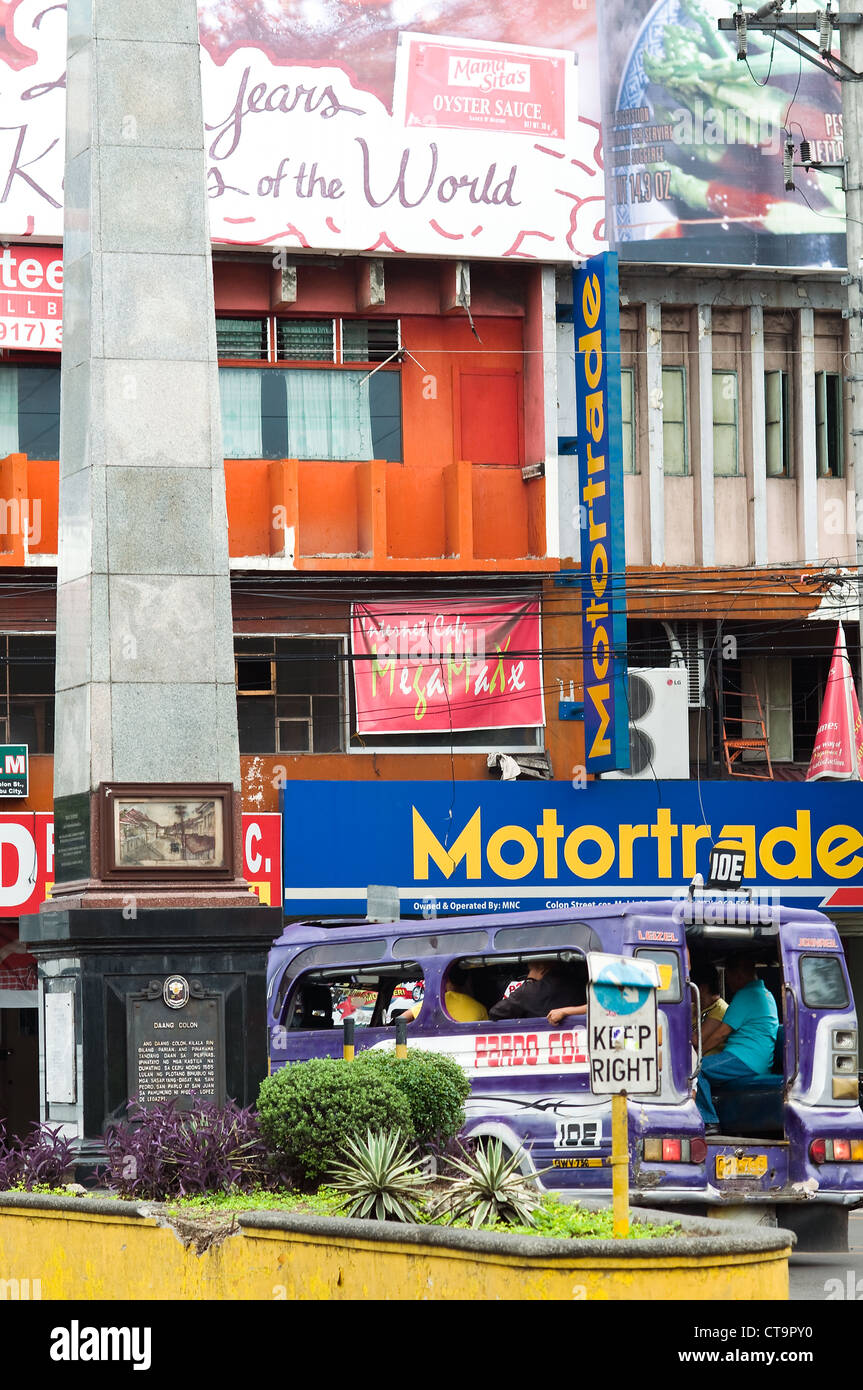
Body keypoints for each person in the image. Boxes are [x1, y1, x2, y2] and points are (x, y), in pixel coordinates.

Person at [694, 953, 779, 1135]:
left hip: (744, 1059)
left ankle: (709, 1122)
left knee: (696, 1070)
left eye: (729, 977)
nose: (729, 983)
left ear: (738, 975)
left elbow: (720, 1035)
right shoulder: (766, 994)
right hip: (757, 1060)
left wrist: (697, 1058)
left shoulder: (745, 995)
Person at [488, 958, 582, 1022]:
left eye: (530, 970)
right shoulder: (580, 984)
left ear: (541, 968)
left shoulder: (528, 991)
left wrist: (529, 982)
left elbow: (495, 1013)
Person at [398, 963, 488, 1024]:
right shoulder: (480, 1008)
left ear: (446, 980)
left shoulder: (435, 1002)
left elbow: (401, 1019)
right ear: (467, 981)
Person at [691, 962, 729, 1057]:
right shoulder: (692, 1007)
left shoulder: (720, 1009)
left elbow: (696, 1040)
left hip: (707, 1063)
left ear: (702, 988)